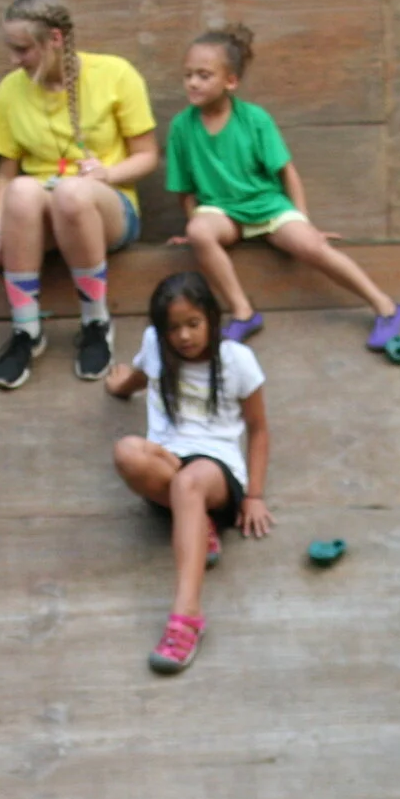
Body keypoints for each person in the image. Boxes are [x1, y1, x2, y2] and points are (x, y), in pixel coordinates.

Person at [165, 24, 400, 352]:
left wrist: (302, 219)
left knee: (311, 247)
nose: (192, 82)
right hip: (221, 211)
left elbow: (287, 172)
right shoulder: (181, 126)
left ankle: (385, 307)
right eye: (188, 74)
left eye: (204, 75)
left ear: (230, 81)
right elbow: (185, 189)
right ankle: (243, 312)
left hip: (266, 205)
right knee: (201, 231)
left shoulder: (254, 119)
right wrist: (192, 226)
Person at [0, 0, 158, 388]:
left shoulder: (115, 74)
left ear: (55, 39)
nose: (15, 60)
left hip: (104, 208)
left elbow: (147, 155)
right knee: (24, 190)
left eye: (23, 49)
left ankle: (95, 323)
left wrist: (106, 174)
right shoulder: (10, 89)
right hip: (37, 218)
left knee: (71, 193)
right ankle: (27, 331)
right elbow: (5, 174)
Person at [103, 273, 270, 674]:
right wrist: (120, 386)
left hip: (216, 473)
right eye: (173, 328)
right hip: (169, 461)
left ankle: (187, 616)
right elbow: (143, 375)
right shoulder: (155, 346)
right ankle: (196, 526)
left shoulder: (237, 361)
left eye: (193, 324)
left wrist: (255, 496)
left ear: (211, 319)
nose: (183, 336)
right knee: (127, 451)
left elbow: (260, 429)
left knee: (189, 483)